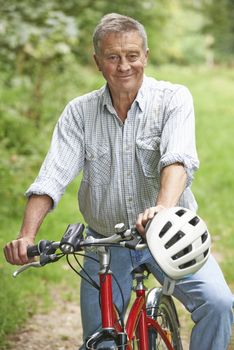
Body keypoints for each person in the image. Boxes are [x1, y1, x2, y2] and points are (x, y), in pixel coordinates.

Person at [4, 13, 233, 350]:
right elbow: (52, 176)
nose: (124, 65)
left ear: (146, 56)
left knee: (219, 304)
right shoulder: (79, 113)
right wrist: (27, 235)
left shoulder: (173, 99)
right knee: (101, 342)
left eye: (132, 55)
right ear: (98, 62)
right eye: (113, 57)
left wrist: (161, 211)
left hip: (171, 234)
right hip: (105, 241)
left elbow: (178, 161)